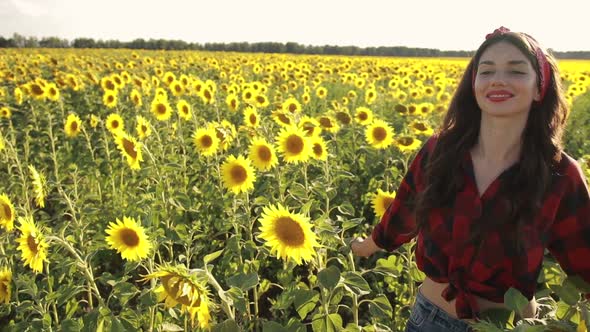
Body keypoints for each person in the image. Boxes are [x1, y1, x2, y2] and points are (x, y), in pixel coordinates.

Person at [351, 26, 590, 332]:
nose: (498, 80)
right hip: (428, 320)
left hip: (509, 326)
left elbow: (584, 262)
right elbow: (405, 210)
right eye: (486, 70)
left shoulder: (559, 174)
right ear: (473, 84)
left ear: (539, 87)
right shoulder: (442, 150)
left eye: (516, 71)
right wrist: (367, 246)